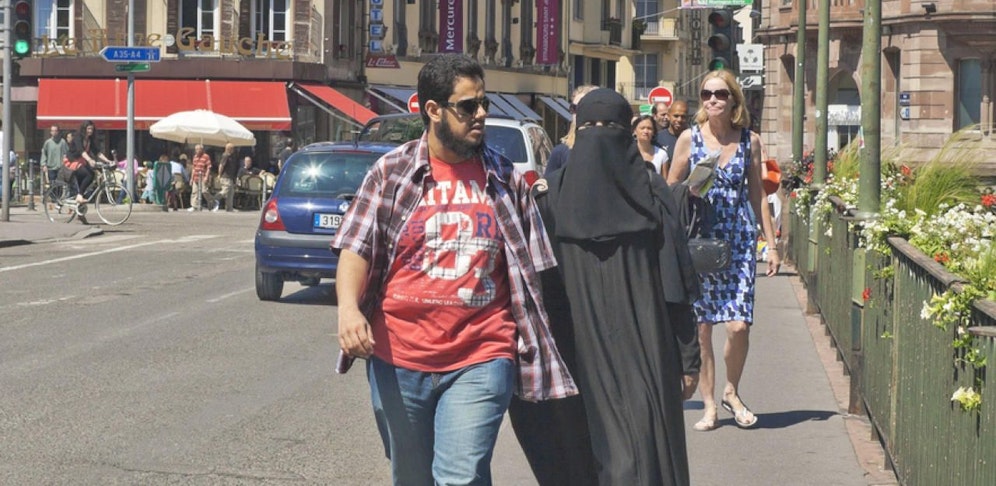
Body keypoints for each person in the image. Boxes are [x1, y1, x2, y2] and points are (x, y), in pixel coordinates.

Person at [332, 54, 577, 486]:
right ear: (433, 110)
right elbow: (356, 248)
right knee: (411, 477)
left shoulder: (505, 178)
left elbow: (539, 272)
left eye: (483, 103)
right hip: (398, 357)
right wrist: (349, 311)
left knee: (460, 476)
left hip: (482, 355)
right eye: (468, 106)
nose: (481, 114)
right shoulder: (391, 173)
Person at [535, 88, 701, 485]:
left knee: (607, 452)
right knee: (641, 449)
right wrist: (687, 357)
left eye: (605, 127)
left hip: (589, 346)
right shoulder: (649, 193)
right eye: (592, 127)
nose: (599, 136)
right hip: (642, 346)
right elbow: (675, 285)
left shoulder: (555, 195)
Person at [666, 69, 781, 431]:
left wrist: (772, 244)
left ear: (733, 99)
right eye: (706, 94)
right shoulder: (689, 139)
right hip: (699, 240)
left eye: (719, 94)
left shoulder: (750, 141)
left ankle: (732, 391)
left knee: (737, 326)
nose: (712, 100)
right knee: (702, 328)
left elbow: (757, 194)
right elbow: (669, 189)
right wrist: (691, 187)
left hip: (739, 242)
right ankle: (710, 404)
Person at [544, 85, 598, 176]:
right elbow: (549, 186)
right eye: (574, 108)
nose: (577, 113)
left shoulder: (611, 150)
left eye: (582, 107)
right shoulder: (560, 152)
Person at [67, 120, 113, 204]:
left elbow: (97, 152)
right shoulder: (78, 137)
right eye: (88, 129)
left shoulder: (89, 140)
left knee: (84, 184)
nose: (90, 131)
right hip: (73, 161)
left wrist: (108, 161)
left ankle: (80, 212)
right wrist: (90, 160)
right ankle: (79, 196)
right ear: (84, 129)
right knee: (90, 174)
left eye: (91, 129)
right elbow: (81, 151)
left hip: (82, 162)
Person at [655, 100, 690, 164]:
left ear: (687, 118)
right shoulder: (658, 138)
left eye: (683, 116)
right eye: (676, 116)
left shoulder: (694, 138)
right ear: (668, 116)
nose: (679, 119)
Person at [188, 144, 218, 211]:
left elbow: (209, 167)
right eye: (196, 149)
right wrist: (191, 178)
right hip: (196, 176)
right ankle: (194, 206)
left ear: (202, 150)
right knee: (194, 192)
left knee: (204, 191)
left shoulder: (206, 156)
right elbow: (193, 168)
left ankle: (213, 202)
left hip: (202, 176)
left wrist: (206, 176)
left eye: (199, 149)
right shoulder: (195, 157)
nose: (197, 151)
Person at [216, 143, 239, 211]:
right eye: (232, 148)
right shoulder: (225, 155)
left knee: (231, 193)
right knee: (225, 191)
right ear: (228, 149)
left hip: (230, 177)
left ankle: (229, 208)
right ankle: (214, 199)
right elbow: (221, 166)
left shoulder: (231, 156)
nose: (233, 150)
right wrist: (219, 174)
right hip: (225, 177)